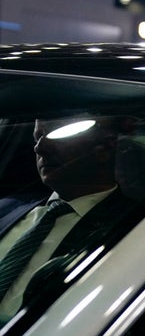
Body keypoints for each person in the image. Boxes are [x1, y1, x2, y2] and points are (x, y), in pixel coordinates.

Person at [0, 115, 134, 322]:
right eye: (37, 137)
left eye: (56, 135)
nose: (39, 148)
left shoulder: (132, 229)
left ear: (105, 147)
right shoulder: (7, 208)